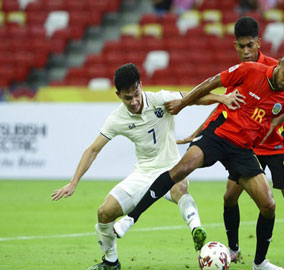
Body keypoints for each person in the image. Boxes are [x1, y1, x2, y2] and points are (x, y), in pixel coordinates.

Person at [114, 49, 284, 270]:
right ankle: (131, 218)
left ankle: (260, 262)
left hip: (242, 150)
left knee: (269, 205)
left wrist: (269, 127)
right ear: (279, 63)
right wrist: (184, 102)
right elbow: (211, 82)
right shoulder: (250, 70)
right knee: (181, 169)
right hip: (219, 133)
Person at [51, 63, 245, 270]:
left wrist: (221, 98)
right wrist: (74, 182)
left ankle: (196, 229)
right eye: (127, 98)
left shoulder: (159, 99)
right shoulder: (117, 118)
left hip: (171, 168)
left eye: (136, 93)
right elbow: (93, 150)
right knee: (104, 213)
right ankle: (110, 262)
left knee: (180, 187)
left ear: (141, 86)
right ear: (118, 95)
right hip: (143, 173)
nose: (134, 101)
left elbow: (193, 98)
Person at [178, 16, 284, 269]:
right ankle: (233, 249)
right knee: (230, 197)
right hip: (248, 146)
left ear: (258, 43)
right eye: (241, 46)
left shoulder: (276, 67)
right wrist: (197, 132)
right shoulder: (243, 71)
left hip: (276, 145)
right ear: (236, 45)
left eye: (250, 46)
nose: (246, 51)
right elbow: (223, 108)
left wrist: (276, 122)